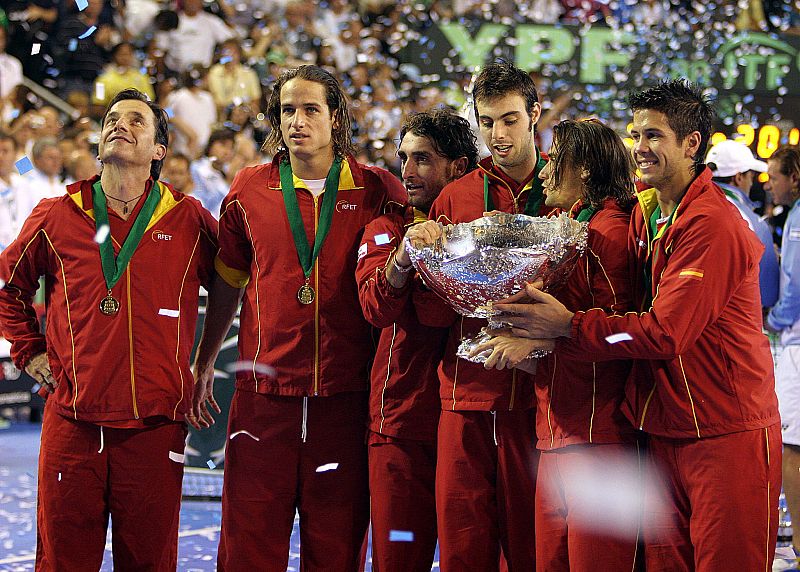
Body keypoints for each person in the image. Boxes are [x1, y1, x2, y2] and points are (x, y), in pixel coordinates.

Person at [494, 79, 781, 571]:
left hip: (723, 431)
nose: (640, 148)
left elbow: (665, 333)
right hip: (663, 428)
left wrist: (566, 327)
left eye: (654, 136)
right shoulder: (647, 213)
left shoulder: (712, 223)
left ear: (692, 144)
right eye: (635, 135)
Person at [190, 65, 405, 570]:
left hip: (345, 395)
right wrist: (203, 362)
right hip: (264, 398)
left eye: (311, 109)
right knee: (249, 542)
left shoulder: (378, 190)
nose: (298, 121)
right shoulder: (248, 189)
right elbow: (228, 282)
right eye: (288, 110)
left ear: (337, 118)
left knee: (335, 543)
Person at [0, 88, 217, 570]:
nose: (120, 124)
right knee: (62, 562)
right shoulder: (58, 214)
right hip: (73, 424)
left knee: (149, 562)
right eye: (112, 119)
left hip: (155, 427)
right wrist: (29, 353)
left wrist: (205, 360)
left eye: (137, 120)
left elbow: (234, 284)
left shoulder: (187, 219)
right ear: (99, 144)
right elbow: (6, 287)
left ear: (160, 149)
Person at [473, 118, 641, 571]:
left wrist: (542, 341)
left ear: (584, 169)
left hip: (599, 434)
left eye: (555, 161)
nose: (544, 172)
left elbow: (625, 336)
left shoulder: (610, 234)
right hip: (558, 428)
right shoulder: (568, 229)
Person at [406, 61, 548, 570]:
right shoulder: (458, 197)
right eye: (487, 122)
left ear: (535, 113)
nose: (498, 134)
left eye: (509, 119)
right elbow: (430, 309)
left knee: (535, 552)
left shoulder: (564, 191)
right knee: (464, 549)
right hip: (465, 395)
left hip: (540, 403)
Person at [355, 108, 479, 571]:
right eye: (403, 158)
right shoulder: (386, 230)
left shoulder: (486, 234)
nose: (407, 172)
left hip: (471, 424)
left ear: (458, 167)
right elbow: (376, 308)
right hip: (400, 423)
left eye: (423, 159)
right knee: (397, 559)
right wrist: (406, 259)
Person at [764, 145, 800, 556]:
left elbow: (793, 287)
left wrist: (772, 322)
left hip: (795, 343)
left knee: (792, 447)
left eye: (775, 176)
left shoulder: (796, 218)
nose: (770, 184)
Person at [706, 138, 778, 308]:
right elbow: (766, 293)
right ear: (738, 177)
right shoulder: (747, 221)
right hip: (734, 322)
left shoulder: (684, 207)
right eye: (751, 177)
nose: (751, 183)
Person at [15, 137, 64, 220]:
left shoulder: (65, 184)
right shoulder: (26, 182)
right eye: (50, 157)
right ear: (36, 160)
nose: (56, 161)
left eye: (58, 157)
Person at [190, 127, 236, 217]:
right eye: (223, 145)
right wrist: (227, 182)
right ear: (210, 145)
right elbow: (202, 205)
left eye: (231, 148)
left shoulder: (229, 171)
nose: (227, 151)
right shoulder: (196, 169)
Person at [0, 132, 22, 251]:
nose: (1, 156)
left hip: (21, 255)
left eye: (5, 151)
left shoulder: (24, 184)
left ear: (15, 154)